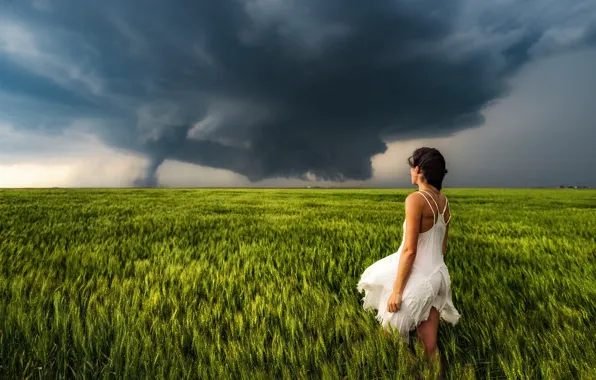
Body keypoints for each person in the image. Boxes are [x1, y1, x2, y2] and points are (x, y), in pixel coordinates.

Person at [356, 147, 461, 376]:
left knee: (389, 337)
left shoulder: (416, 199)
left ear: (419, 170)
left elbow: (409, 250)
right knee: (430, 347)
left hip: (421, 280)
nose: (411, 171)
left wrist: (397, 291)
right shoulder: (444, 202)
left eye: (412, 167)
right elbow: (442, 248)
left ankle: (410, 372)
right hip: (439, 278)